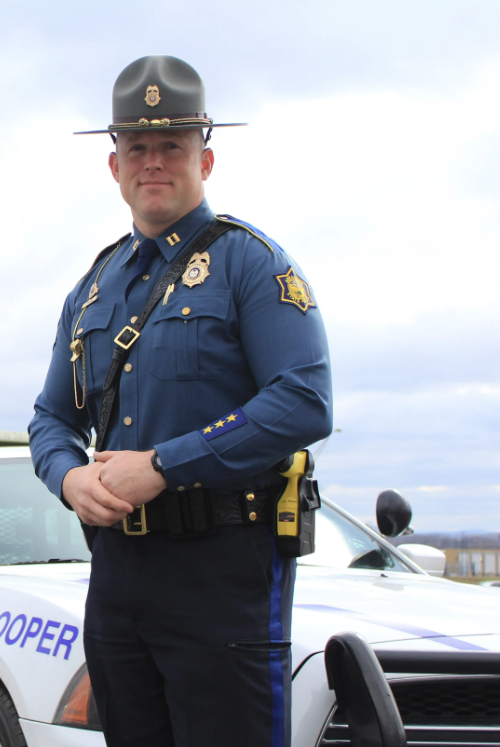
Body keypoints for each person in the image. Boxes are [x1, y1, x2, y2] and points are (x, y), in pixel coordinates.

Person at [29, 55, 332, 746]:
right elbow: (50, 417)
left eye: (172, 145)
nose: (153, 161)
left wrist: (162, 464)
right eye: (137, 146)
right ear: (114, 167)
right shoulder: (94, 288)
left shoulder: (248, 263)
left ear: (207, 158)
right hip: (117, 576)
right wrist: (69, 476)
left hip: (220, 569)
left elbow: (305, 401)